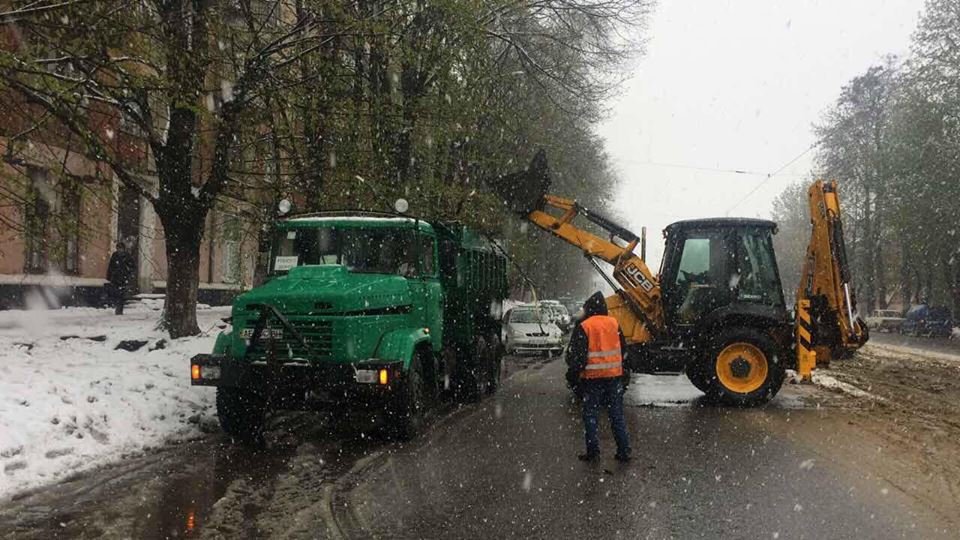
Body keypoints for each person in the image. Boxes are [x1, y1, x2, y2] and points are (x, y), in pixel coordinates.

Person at [565, 291, 631, 463]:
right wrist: (623, 373)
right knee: (616, 415)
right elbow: (623, 351)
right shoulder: (614, 324)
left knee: (590, 414)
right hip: (614, 378)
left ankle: (593, 452)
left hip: (592, 379)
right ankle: (624, 451)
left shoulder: (585, 326)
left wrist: (572, 377)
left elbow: (578, 357)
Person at [106, 241, 135, 315]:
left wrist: (128, 273)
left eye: (120, 248)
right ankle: (118, 308)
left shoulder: (127, 256)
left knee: (121, 294)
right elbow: (111, 266)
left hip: (123, 278)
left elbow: (132, 266)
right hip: (115, 277)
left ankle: (119, 309)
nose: (119, 250)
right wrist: (109, 276)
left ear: (123, 249)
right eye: (118, 248)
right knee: (116, 293)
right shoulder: (115, 255)